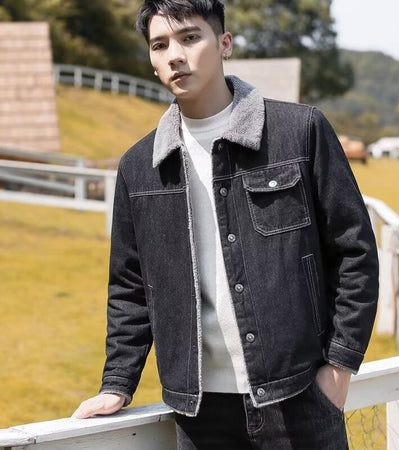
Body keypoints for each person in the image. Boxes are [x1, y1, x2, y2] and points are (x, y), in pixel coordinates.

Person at [72, 0, 379, 448]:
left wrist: (339, 366)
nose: (175, 55)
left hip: (299, 397)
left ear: (224, 44)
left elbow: (355, 251)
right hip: (199, 413)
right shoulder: (139, 167)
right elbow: (129, 287)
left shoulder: (300, 131)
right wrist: (117, 382)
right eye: (160, 45)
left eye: (190, 38)